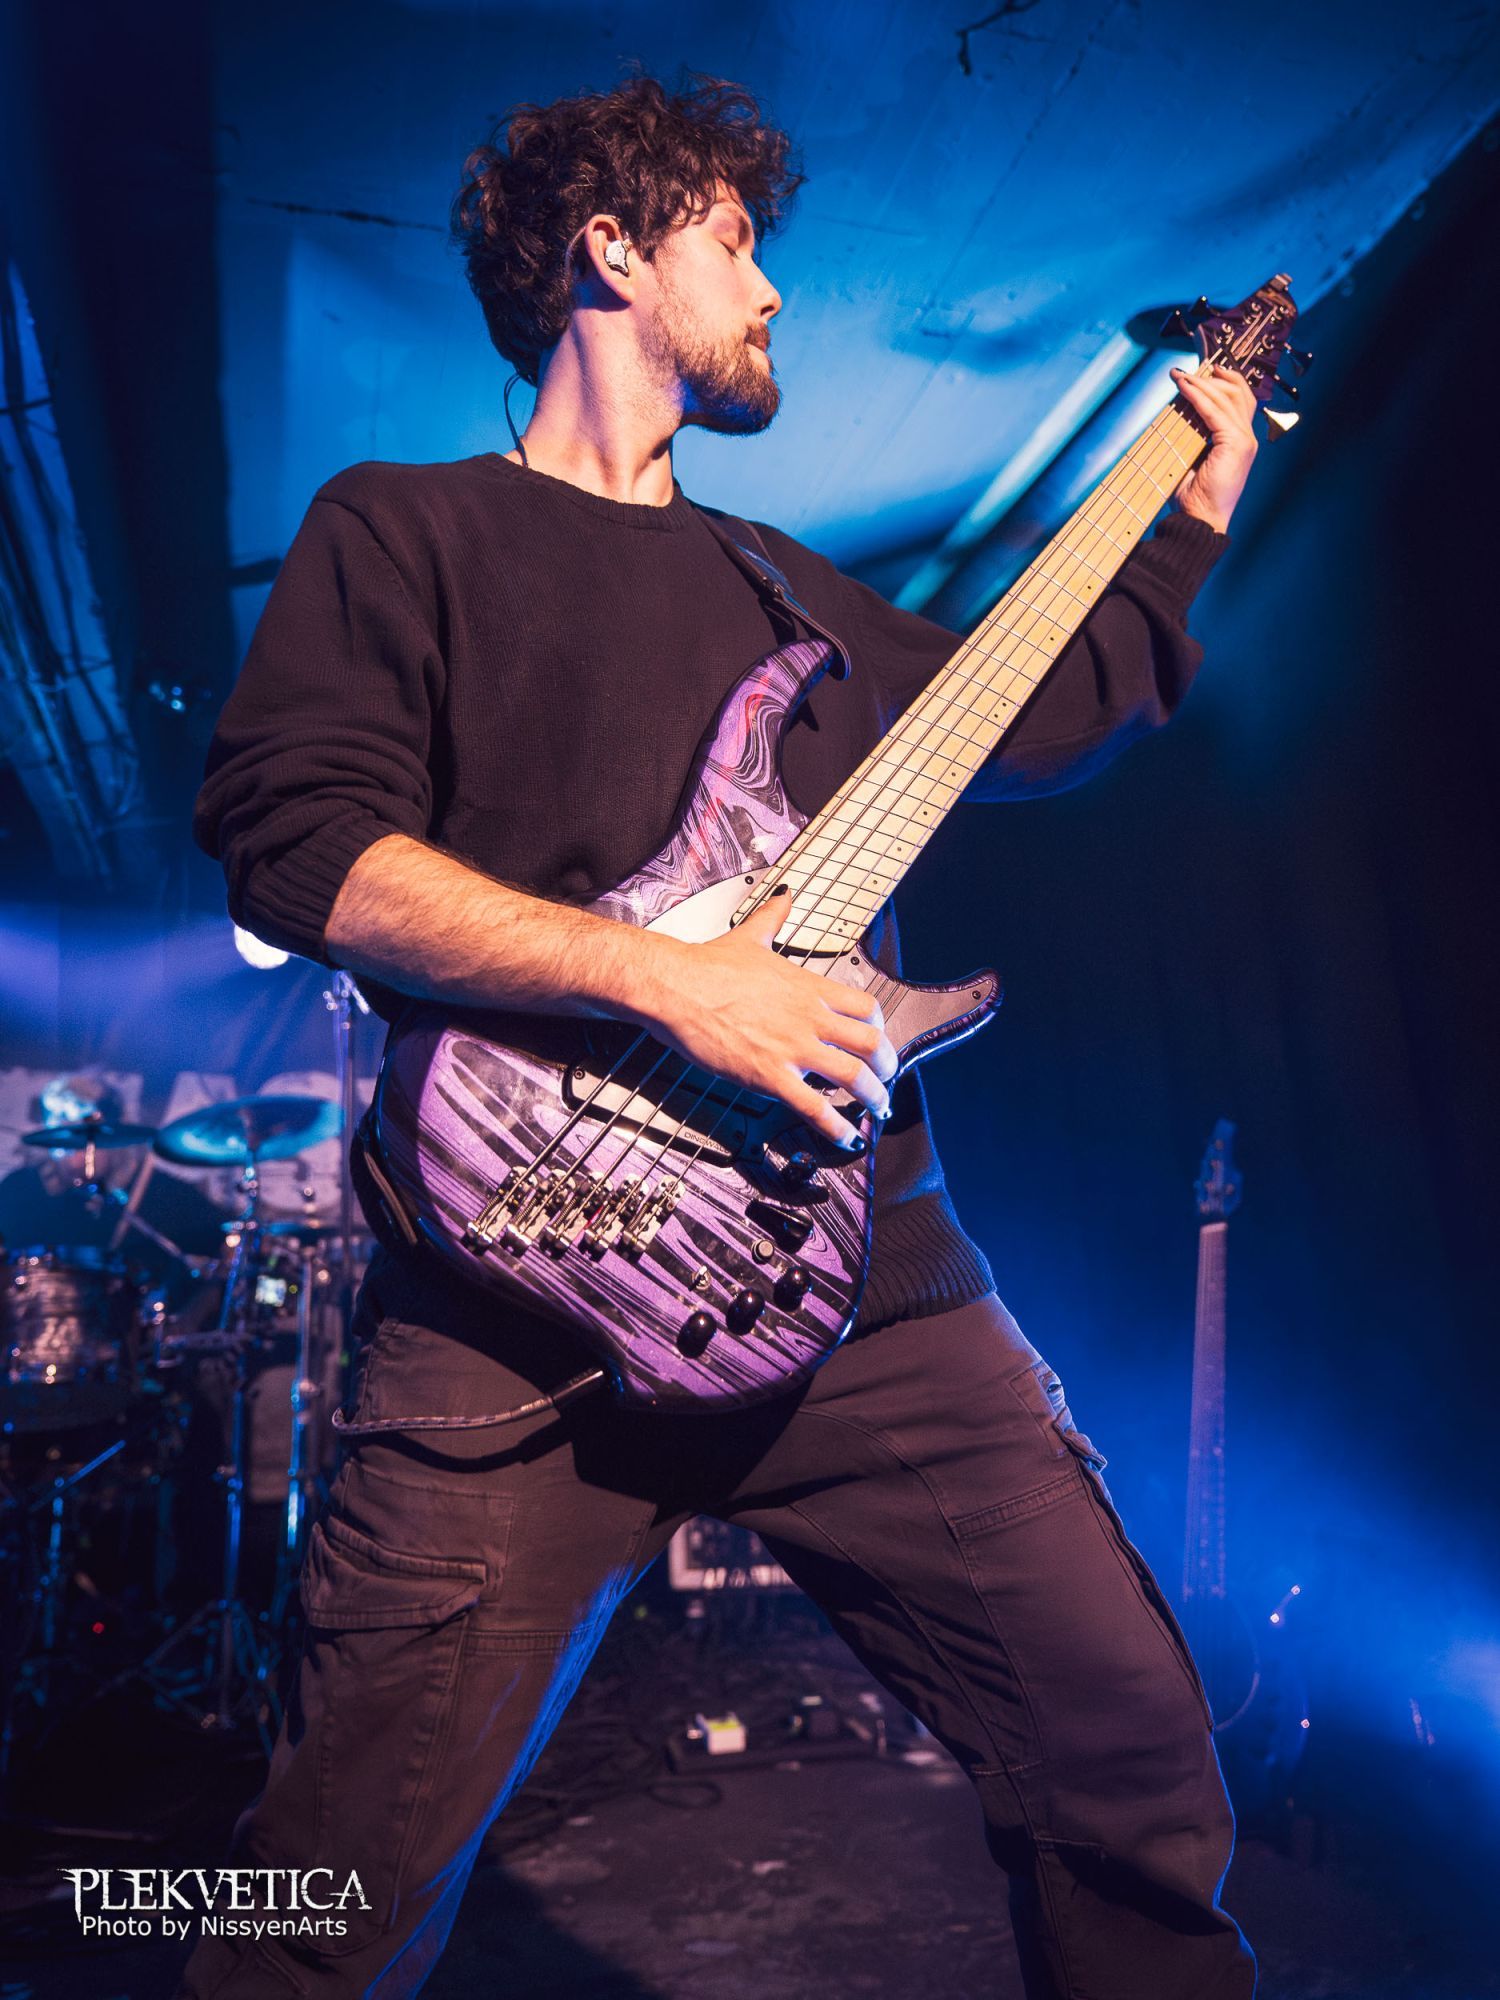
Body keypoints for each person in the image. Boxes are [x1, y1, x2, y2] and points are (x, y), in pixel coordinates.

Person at [182, 73, 1260, 2000]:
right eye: (739, 242)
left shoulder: (789, 592)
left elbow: (1038, 704)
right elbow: (298, 849)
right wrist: (678, 982)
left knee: (1132, 1769)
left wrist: (1185, 518)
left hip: (862, 1295)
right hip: (517, 1298)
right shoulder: (402, 529)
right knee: (314, 1909)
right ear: (611, 248)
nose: (773, 291)